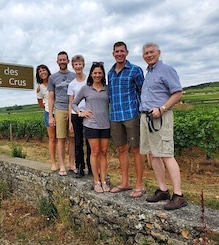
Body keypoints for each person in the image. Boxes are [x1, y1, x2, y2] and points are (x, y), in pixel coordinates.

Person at [140, 42, 187, 210]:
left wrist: (163, 108)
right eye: (146, 53)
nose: (149, 55)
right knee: (153, 155)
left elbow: (178, 93)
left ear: (159, 52)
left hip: (161, 117)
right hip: (148, 118)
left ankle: (179, 195)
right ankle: (162, 190)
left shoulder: (166, 70)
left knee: (166, 154)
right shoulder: (149, 73)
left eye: (151, 52)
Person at [107, 41, 146, 198]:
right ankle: (125, 182)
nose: (119, 54)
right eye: (116, 51)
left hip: (131, 114)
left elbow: (143, 91)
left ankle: (139, 184)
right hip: (115, 116)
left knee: (136, 149)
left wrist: (143, 111)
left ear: (127, 52)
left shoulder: (135, 70)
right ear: (113, 54)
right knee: (121, 149)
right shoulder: (110, 72)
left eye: (122, 51)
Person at [72, 62, 110, 193]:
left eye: (100, 73)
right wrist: (80, 113)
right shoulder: (86, 89)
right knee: (94, 152)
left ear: (103, 74)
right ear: (91, 74)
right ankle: (96, 181)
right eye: (95, 73)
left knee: (104, 153)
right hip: (91, 124)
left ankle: (104, 180)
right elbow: (74, 104)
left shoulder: (107, 88)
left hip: (105, 124)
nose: (97, 75)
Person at [48, 51, 76, 176]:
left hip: (73, 110)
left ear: (68, 61)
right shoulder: (52, 78)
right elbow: (50, 97)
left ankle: (72, 164)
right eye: (60, 60)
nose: (62, 62)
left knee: (72, 139)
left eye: (64, 59)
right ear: (57, 62)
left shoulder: (74, 76)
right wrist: (50, 116)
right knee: (60, 139)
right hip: (59, 110)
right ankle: (62, 165)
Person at [68, 55, 92, 178]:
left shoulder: (89, 80)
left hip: (88, 114)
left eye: (80, 64)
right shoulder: (71, 84)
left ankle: (91, 168)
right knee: (78, 143)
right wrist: (70, 122)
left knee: (90, 143)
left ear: (83, 65)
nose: (78, 66)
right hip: (76, 115)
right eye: (75, 64)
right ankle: (80, 168)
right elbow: (71, 103)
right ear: (73, 66)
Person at [35, 64, 57, 171]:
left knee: (62, 139)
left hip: (60, 112)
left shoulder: (54, 82)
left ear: (47, 71)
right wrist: (48, 108)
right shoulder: (40, 88)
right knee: (52, 139)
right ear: (38, 74)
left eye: (44, 70)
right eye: (40, 71)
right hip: (49, 114)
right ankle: (53, 163)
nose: (42, 72)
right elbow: (40, 103)